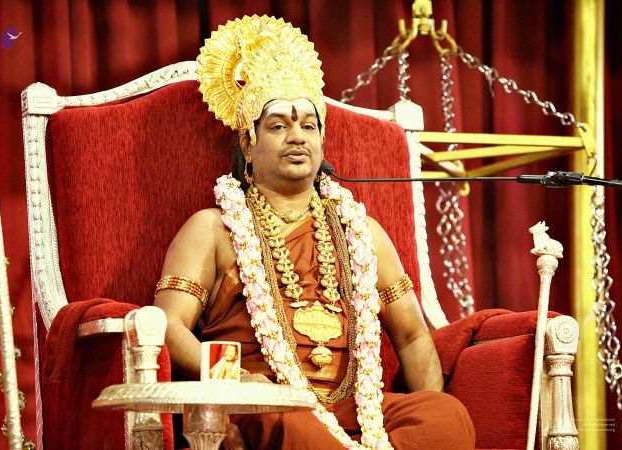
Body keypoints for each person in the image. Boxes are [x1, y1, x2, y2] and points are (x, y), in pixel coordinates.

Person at [154, 15, 475, 449]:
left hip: (359, 410)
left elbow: (413, 335)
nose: (297, 137)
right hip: (267, 404)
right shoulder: (212, 228)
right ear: (248, 144)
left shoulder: (363, 232)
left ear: (322, 143)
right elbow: (168, 326)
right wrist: (235, 379)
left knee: (445, 415)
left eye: (308, 125)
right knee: (295, 426)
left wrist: (426, 402)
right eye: (278, 126)